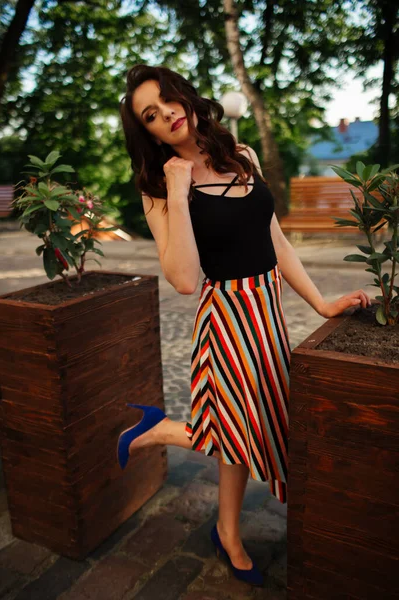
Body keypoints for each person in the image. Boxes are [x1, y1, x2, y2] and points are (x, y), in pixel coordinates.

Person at [118, 64, 371, 585]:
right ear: (147, 132)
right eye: (150, 115)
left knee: (247, 425)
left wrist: (320, 303)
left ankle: (226, 530)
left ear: (184, 96)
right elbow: (185, 279)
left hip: (266, 312)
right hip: (226, 318)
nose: (166, 113)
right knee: (243, 429)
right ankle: (162, 429)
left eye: (167, 99)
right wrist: (177, 187)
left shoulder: (242, 156)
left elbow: (275, 242)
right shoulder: (158, 186)